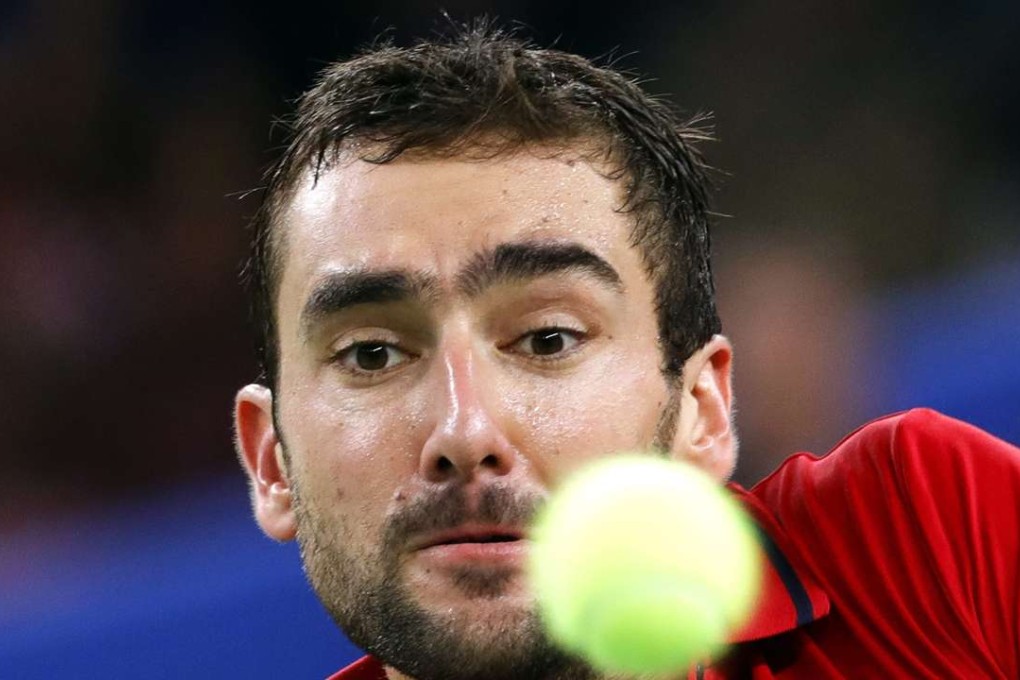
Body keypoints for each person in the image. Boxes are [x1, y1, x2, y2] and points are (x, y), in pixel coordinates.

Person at [233, 24, 1020, 680]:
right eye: (371, 355)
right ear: (271, 462)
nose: (464, 432)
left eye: (548, 339)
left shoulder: (929, 538)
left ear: (703, 413)